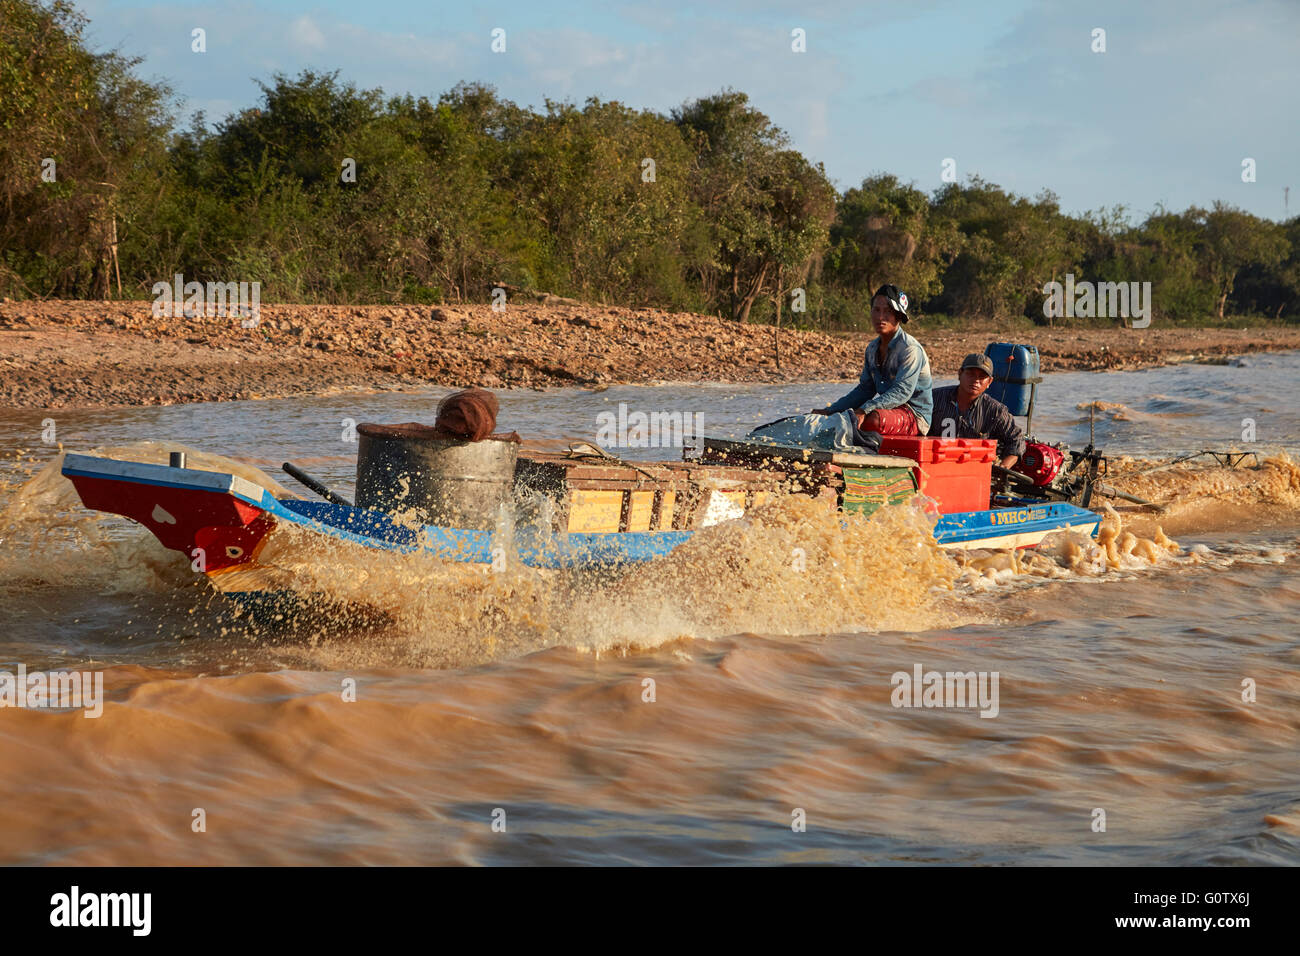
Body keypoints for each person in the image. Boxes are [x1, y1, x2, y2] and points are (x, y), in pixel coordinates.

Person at [812, 284, 932, 446]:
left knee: (871, 420)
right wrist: (830, 411)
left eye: (888, 312)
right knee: (841, 417)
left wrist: (863, 410)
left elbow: (902, 392)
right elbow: (865, 389)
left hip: (914, 415)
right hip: (887, 409)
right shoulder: (872, 349)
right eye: (876, 310)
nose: (880, 317)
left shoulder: (910, 349)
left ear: (898, 316)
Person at [927, 353, 1025, 469]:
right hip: (935, 465)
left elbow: (1016, 440)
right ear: (960, 374)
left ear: (989, 382)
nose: (976, 380)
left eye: (982, 377)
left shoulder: (995, 410)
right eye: (970, 374)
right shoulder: (934, 398)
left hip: (974, 471)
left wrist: (1003, 466)